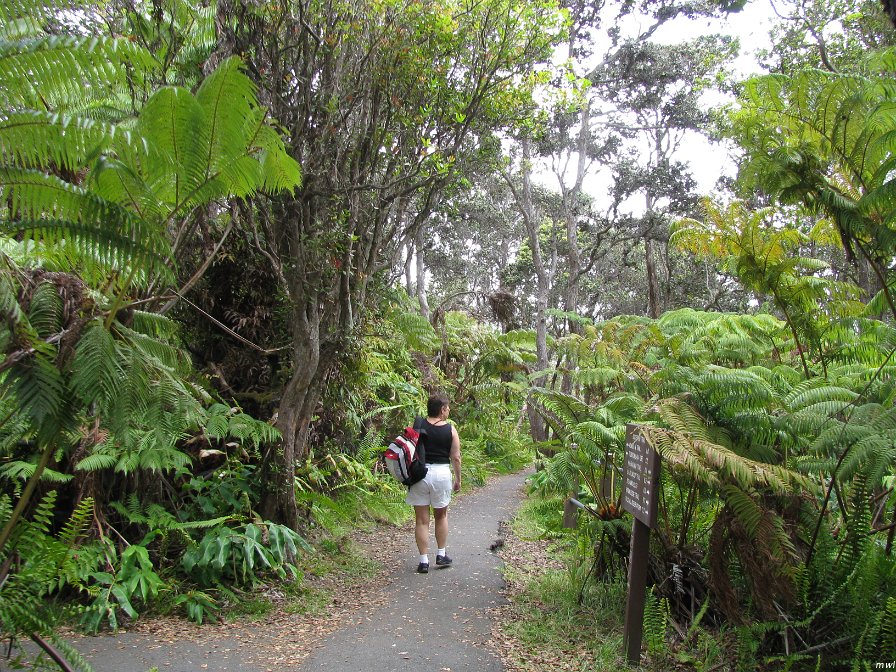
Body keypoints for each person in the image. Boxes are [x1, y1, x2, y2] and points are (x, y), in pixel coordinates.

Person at [406, 394, 461, 573]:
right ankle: (441, 554)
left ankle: (423, 561)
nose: (449, 410)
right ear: (442, 409)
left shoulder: (419, 426)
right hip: (441, 474)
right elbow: (456, 457)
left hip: (420, 474)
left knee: (421, 520)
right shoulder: (450, 430)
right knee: (441, 516)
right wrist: (458, 479)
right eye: (447, 408)